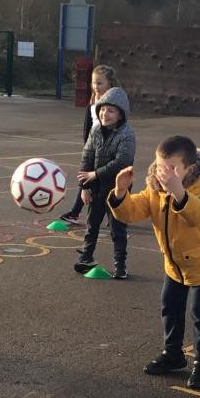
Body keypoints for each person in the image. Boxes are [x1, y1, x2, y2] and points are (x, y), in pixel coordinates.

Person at [109, 135, 200, 390]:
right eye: (161, 166)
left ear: (189, 168)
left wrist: (178, 190)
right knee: (170, 307)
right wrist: (120, 192)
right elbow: (132, 211)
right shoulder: (156, 188)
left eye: (172, 168)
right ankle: (173, 354)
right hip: (174, 264)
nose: (165, 173)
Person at [74, 86, 134, 281]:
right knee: (92, 225)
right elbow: (87, 157)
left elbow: (122, 162)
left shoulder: (127, 134)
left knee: (117, 228)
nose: (105, 114)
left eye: (111, 111)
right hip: (97, 187)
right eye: (102, 109)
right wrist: (84, 187)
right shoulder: (96, 131)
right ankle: (86, 257)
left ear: (121, 114)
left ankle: (120, 266)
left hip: (117, 190)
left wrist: (95, 174)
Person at [60, 64, 118, 225]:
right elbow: (88, 126)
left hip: (108, 148)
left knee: (108, 183)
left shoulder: (114, 103)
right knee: (86, 179)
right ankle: (75, 212)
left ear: (110, 83)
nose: (96, 86)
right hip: (93, 147)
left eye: (100, 83)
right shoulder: (93, 101)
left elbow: (119, 127)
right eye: (93, 83)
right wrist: (87, 146)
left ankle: (114, 216)